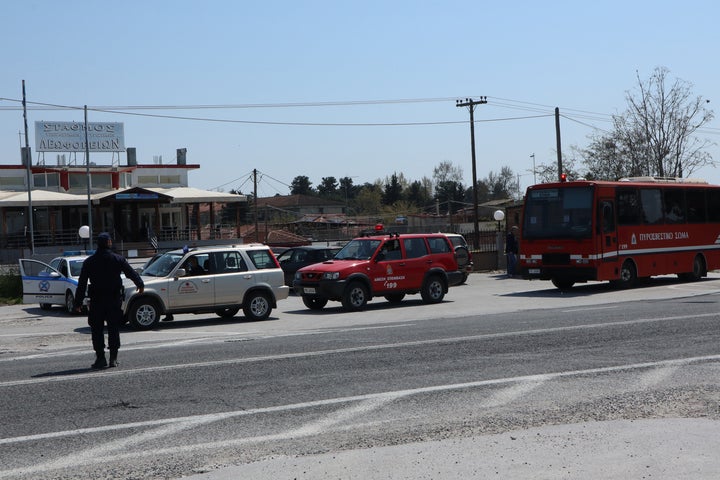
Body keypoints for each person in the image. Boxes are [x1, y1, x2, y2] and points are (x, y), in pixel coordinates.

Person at [74, 232, 144, 369]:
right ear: (109, 243)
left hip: (96, 300)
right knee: (113, 328)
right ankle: (113, 358)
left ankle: (100, 358)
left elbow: (82, 283)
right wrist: (140, 284)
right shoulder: (117, 259)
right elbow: (131, 272)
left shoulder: (89, 262)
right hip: (113, 299)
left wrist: (77, 303)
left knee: (97, 330)